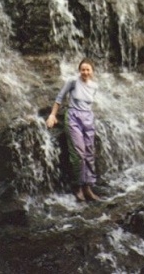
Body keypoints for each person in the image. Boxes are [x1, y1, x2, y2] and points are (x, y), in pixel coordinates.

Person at [46, 58, 101, 202]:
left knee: (89, 153)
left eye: (88, 69)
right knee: (79, 154)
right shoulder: (72, 81)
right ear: (79, 70)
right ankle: (77, 186)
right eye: (83, 69)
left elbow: (88, 104)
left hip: (88, 119)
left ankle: (87, 187)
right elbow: (60, 97)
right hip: (73, 118)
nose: (85, 72)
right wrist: (52, 115)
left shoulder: (94, 86)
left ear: (92, 71)